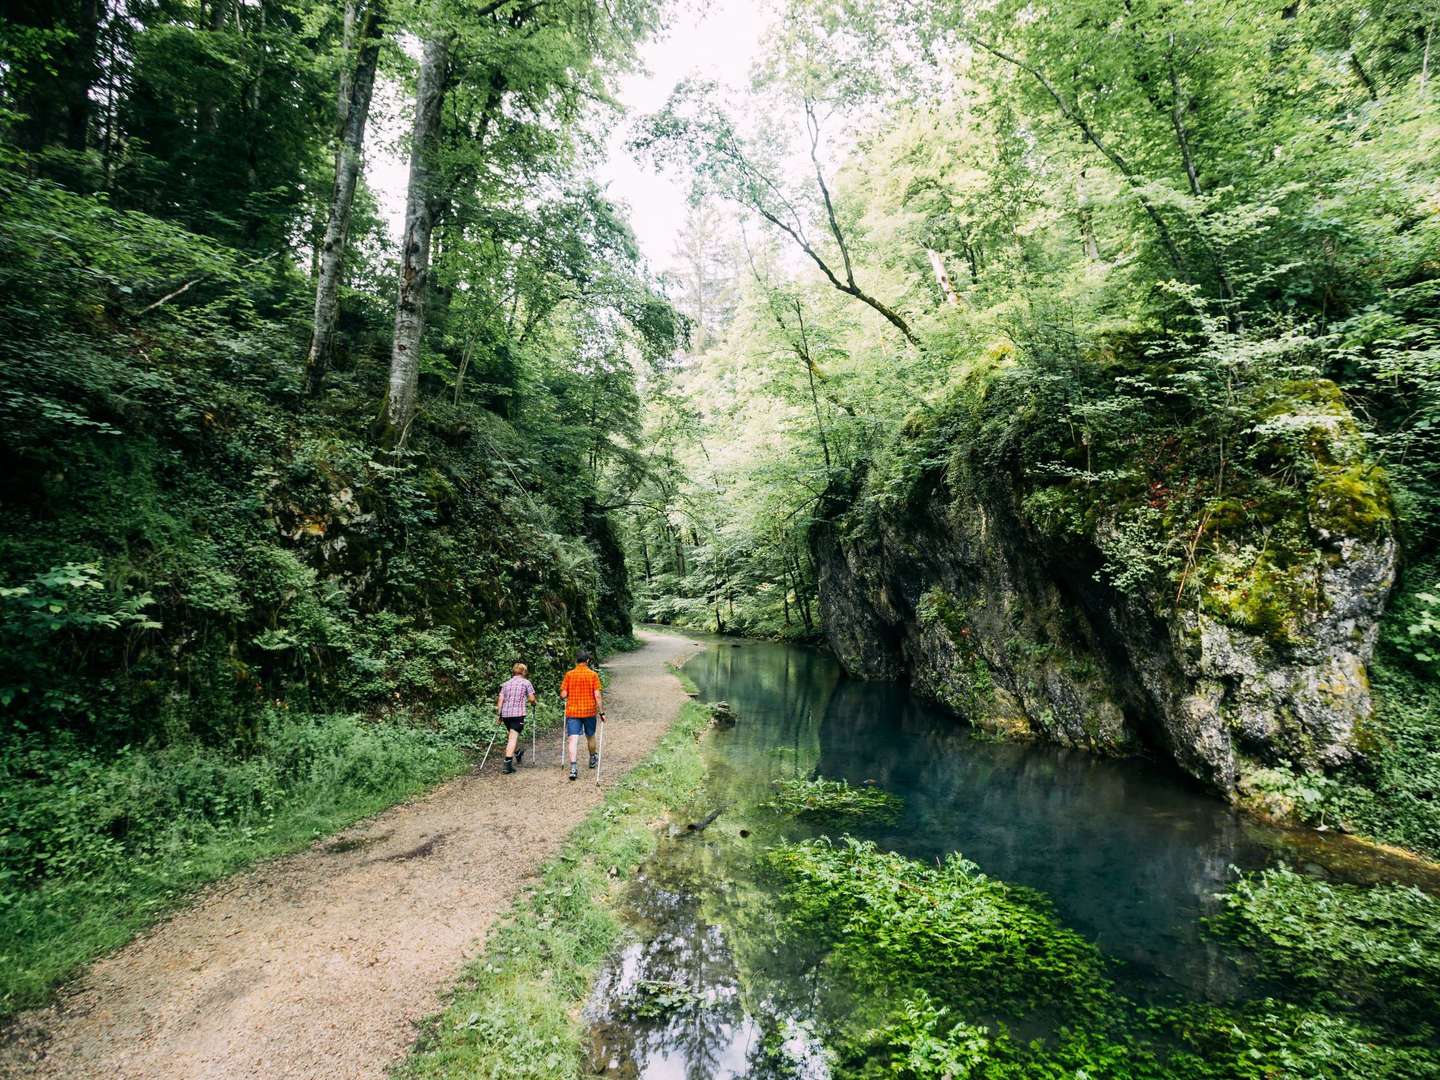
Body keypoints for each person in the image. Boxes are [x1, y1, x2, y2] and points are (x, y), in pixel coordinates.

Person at [559, 650, 604, 782]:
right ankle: (592, 758)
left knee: (573, 739)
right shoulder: (593, 675)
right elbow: (597, 695)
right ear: (587, 661)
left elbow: (563, 695)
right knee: (590, 736)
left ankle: (573, 767)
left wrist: (565, 694)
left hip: (573, 711)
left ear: (576, 660)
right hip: (589, 711)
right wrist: (601, 712)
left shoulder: (569, 675)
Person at [495, 662, 537, 774]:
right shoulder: (526, 683)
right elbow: (532, 699)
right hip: (517, 714)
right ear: (523, 671)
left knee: (511, 735)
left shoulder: (506, 684)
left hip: (506, 714)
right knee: (513, 737)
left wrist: (499, 715)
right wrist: (534, 703)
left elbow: (500, 700)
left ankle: (518, 752)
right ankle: (507, 764)